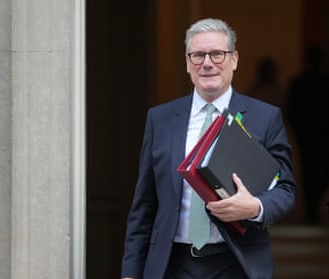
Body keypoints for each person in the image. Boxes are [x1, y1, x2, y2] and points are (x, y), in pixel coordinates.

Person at [121, 18, 296, 279]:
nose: (207, 63)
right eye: (198, 55)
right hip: (172, 265)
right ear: (187, 63)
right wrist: (130, 273)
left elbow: (285, 188)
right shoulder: (161, 119)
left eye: (217, 54)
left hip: (236, 262)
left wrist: (255, 207)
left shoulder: (264, 118)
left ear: (234, 59)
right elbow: (144, 205)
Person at [286, 46, 329, 224]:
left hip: (304, 135)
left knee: (306, 173)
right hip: (323, 136)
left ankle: (310, 212)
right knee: (320, 173)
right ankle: (315, 212)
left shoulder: (299, 82)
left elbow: (292, 110)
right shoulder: (327, 82)